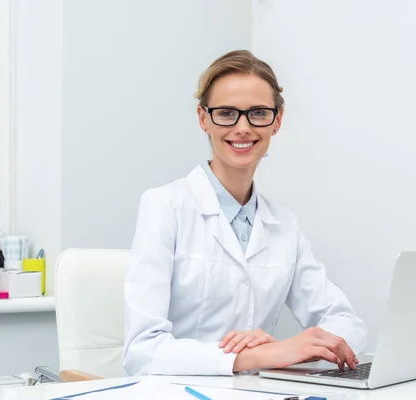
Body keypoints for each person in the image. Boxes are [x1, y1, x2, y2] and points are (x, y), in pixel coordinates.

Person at [123, 50, 367, 376]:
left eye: (258, 113)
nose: (242, 128)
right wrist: (260, 356)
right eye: (226, 113)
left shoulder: (284, 224)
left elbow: (348, 325)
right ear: (203, 119)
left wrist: (296, 352)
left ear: (277, 121)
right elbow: (142, 352)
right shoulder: (164, 207)